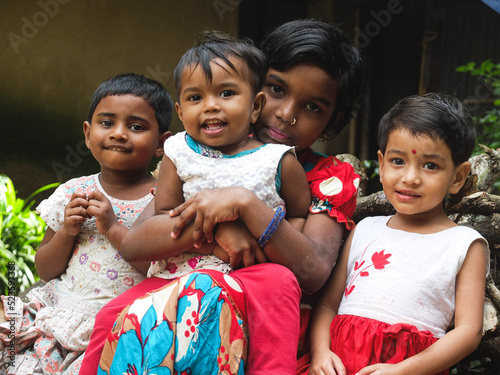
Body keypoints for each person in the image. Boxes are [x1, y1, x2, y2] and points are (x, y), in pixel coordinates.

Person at [81, 19, 365, 374]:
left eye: (313, 108)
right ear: (254, 88)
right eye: (278, 88)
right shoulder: (192, 155)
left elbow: (311, 271)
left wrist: (245, 203)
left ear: (333, 119)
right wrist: (218, 231)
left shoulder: (327, 177)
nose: (287, 114)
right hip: (179, 294)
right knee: (116, 316)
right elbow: (138, 245)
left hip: (263, 318)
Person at [297, 93, 490, 375]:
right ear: (382, 163)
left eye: (430, 165)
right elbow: (328, 304)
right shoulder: (366, 230)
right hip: (336, 364)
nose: (410, 177)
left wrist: (403, 371)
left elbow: (468, 332)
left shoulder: (463, 245)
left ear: (458, 177)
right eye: (398, 161)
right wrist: (321, 353)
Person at [0, 73, 173, 374]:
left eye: (136, 126)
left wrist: (113, 227)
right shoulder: (71, 191)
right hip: (59, 315)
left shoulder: (162, 199)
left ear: (161, 144)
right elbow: (45, 268)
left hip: (117, 326)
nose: (119, 133)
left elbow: (162, 270)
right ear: (87, 132)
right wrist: (67, 232)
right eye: (107, 123)